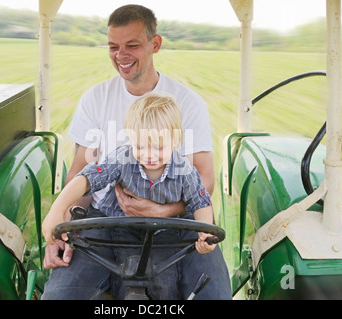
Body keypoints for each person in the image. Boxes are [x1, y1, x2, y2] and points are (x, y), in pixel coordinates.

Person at [42, 4, 231, 300]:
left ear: (154, 44)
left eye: (131, 45)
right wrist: (63, 221)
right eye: (113, 47)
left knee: (214, 296)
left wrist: (164, 211)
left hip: (178, 222)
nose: (121, 55)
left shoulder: (188, 103)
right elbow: (82, 174)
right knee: (60, 296)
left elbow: (204, 181)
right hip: (104, 220)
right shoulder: (95, 100)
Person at [42, 94, 217, 298]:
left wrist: (205, 234)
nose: (149, 154)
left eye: (159, 147)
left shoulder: (184, 170)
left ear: (176, 140)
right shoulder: (122, 159)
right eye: (141, 146)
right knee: (127, 277)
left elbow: (200, 201)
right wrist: (57, 210)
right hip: (120, 224)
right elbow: (86, 179)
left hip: (164, 229)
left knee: (163, 284)